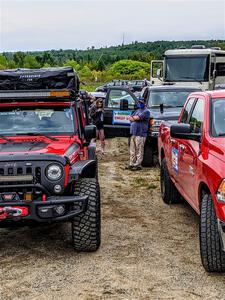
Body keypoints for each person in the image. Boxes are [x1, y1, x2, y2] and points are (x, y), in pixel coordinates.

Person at [126, 98, 150, 171]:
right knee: (132, 149)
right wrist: (133, 118)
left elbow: (137, 118)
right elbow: (129, 118)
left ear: (144, 103)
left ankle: (138, 165)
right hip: (133, 132)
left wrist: (133, 118)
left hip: (141, 133)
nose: (140, 104)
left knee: (139, 149)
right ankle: (132, 163)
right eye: (139, 102)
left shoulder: (146, 111)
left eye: (142, 102)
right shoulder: (137, 110)